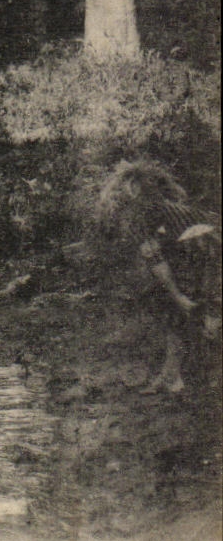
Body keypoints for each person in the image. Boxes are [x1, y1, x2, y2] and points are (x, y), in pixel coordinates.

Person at [93, 160, 221, 394]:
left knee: (181, 307)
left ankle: (183, 376)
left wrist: (178, 296)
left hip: (210, 257)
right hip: (203, 256)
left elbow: (157, 261)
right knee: (173, 309)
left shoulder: (139, 216)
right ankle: (173, 374)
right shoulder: (166, 207)